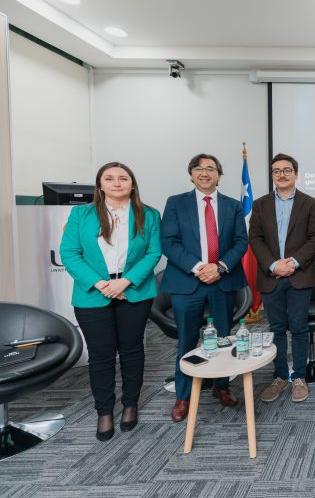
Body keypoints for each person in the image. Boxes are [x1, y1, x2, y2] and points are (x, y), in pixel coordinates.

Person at [60, 162, 161, 441]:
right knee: (101, 355)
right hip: (93, 293)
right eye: (109, 178)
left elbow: (153, 253)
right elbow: (69, 253)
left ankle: (130, 404)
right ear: (100, 184)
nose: (117, 183)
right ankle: (104, 411)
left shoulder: (149, 215)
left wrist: (125, 282)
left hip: (133, 291)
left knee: (131, 351)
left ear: (132, 183)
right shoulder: (81, 214)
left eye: (123, 178)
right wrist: (102, 284)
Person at [160, 154, 249, 422]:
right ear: (191, 174)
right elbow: (169, 242)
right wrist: (200, 267)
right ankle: (184, 395)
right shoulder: (176, 203)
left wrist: (219, 267)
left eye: (211, 168)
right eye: (199, 168)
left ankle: (221, 387)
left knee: (223, 338)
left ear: (219, 175)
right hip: (188, 282)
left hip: (222, 281)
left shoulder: (233, 205)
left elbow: (240, 242)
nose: (205, 173)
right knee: (187, 340)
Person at [249, 153, 315, 403]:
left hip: (299, 276)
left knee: (300, 329)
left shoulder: (310, 202)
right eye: (276, 171)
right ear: (272, 176)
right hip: (271, 277)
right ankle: (280, 376)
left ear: (296, 174)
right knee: (276, 329)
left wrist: (292, 262)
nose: (281, 174)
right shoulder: (259, 204)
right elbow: (255, 239)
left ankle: (299, 376)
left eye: (287, 170)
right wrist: (273, 264)